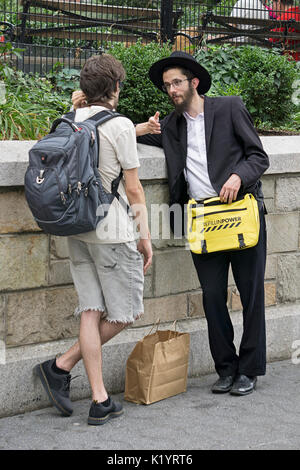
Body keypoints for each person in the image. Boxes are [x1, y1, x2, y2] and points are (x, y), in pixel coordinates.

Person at [135, 51, 269, 396]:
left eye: (176, 82)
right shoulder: (170, 125)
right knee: (212, 297)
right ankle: (225, 368)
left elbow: (258, 156)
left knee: (251, 293)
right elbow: (125, 134)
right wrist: (138, 126)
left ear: (194, 82)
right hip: (203, 221)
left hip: (240, 214)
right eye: (167, 86)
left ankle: (249, 369)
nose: (171, 91)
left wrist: (238, 177)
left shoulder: (229, 108)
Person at [34, 54, 153, 425]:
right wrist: (145, 236)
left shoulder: (70, 119)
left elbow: (100, 138)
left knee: (91, 309)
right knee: (126, 313)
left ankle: (96, 395)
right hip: (111, 231)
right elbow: (133, 191)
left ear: (85, 87)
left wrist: (141, 130)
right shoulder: (117, 125)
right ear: (116, 88)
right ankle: (62, 365)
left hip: (76, 227)